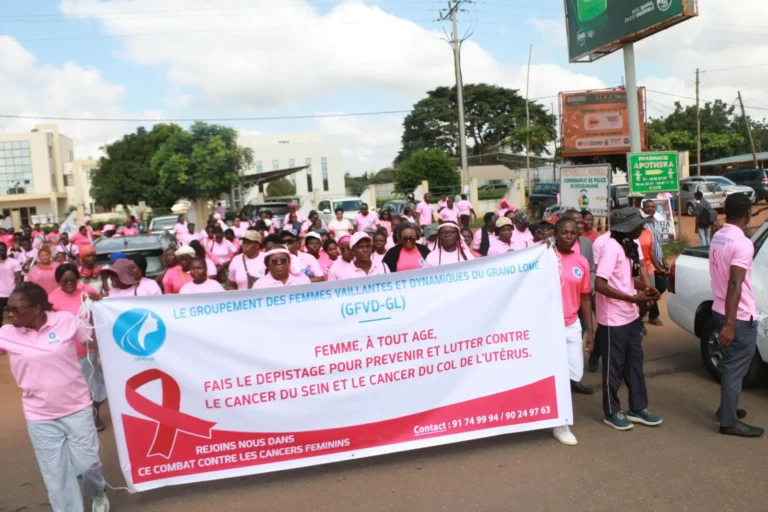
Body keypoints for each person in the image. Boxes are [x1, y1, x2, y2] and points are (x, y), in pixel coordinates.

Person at [0, 283, 110, 512]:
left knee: (88, 464)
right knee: (56, 475)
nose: (9, 314)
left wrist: (102, 309)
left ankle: (98, 490)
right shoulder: (6, 334)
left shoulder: (65, 320)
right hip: (39, 416)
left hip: (77, 407)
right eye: (7, 309)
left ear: (36, 308)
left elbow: (91, 339)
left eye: (15, 309)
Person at [594, 207, 662, 431]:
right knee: (613, 368)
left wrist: (647, 290)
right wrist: (633, 299)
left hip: (630, 318)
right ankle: (612, 412)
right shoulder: (611, 248)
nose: (642, 228)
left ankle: (638, 408)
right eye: (639, 224)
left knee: (635, 363)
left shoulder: (629, 246)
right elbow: (600, 284)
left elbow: (627, 279)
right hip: (612, 320)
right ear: (627, 227)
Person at [709, 194, 764, 437]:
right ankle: (729, 422)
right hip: (738, 317)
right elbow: (735, 284)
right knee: (735, 366)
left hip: (720, 309)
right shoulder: (742, 243)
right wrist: (731, 324)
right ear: (748, 213)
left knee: (732, 364)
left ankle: (727, 409)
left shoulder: (719, 236)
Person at [48, 264, 108, 431]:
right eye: (64, 281)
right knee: (75, 389)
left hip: (89, 349)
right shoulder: (52, 299)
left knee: (95, 384)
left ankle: (95, 416)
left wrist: (98, 299)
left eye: (72, 280)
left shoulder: (87, 292)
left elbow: (104, 310)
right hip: (66, 353)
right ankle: (83, 419)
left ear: (78, 279)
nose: (69, 284)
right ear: (58, 281)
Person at [552, 217, 594, 446]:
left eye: (572, 233)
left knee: (575, 373)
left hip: (572, 324)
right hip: (549, 325)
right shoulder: (546, 258)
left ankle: (557, 412)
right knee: (558, 375)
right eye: (564, 233)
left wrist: (591, 330)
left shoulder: (581, 262)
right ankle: (560, 422)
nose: (569, 237)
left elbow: (585, 298)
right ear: (556, 235)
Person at [638, 201, 668, 327]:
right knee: (651, 289)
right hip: (646, 264)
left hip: (657, 261)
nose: (650, 209)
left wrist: (664, 260)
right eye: (647, 207)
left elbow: (658, 244)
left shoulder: (655, 223)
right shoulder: (641, 225)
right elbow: (648, 250)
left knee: (661, 286)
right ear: (642, 209)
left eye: (652, 207)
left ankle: (646, 308)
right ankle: (653, 315)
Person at [0, 242, 23, 325]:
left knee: (14, 315)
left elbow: (18, 278)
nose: (0, 251)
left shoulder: (14, 262)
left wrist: (16, 291)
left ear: (6, 250)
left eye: (2, 249)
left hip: (11, 293)